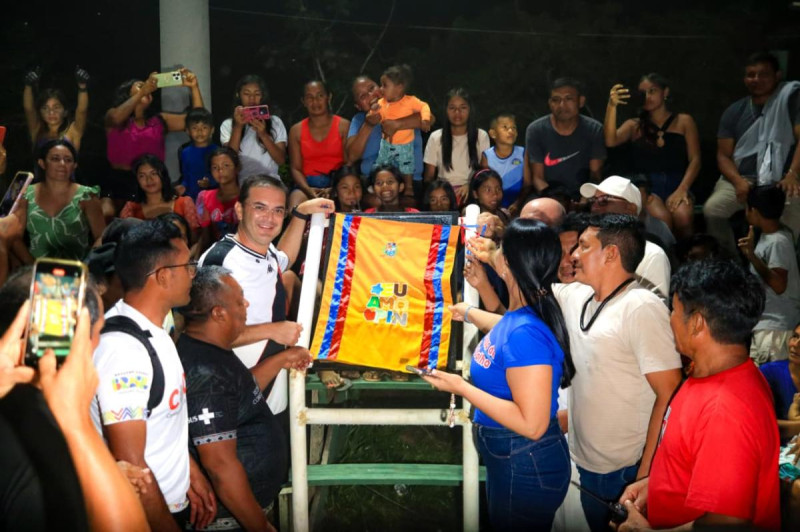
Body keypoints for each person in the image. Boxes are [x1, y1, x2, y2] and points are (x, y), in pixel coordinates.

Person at [423, 219, 575, 531]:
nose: (496, 254)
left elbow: (532, 425)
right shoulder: (526, 312)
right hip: (515, 457)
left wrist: (461, 387)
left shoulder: (526, 332)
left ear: (509, 263)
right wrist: (467, 312)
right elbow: (506, 329)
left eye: (501, 250)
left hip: (525, 459)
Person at [615, 259, 779, 532]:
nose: (669, 319)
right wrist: (653, 485)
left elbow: (728, 523)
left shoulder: (725, 409)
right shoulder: (710, 374)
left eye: (673, 310)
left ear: (697, 324)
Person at [553, 214, 682, 532]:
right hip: (588, 465)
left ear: (610, 254)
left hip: (627, 471)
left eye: (584, 246)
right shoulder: (577, 296)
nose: (574, 255)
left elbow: (670, 392)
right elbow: (526, 299)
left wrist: (646, 474)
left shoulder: (641, 307)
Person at [91, 219, 216, 531]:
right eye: (188, 265)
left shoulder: (153, 329)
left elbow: (161, 420)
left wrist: (188, 472)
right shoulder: (124, 353)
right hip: (145, 516)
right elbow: (131, 468)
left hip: (167, 501)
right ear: (162, 276)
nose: (193, 273)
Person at [0, 277, 150, 532]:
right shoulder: (56, 419)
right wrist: (78, 424)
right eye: (99, 330)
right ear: (80, 340)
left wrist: (97, 473)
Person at [179, 266, 308, 531]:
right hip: (228, 522)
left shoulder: (210, 351)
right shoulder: (205, 372)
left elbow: (238, 396)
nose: (246, 304)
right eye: (239, 300)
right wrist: (260, 526)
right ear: (219, 313)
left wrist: (281, 359)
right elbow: (220, 466)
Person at [199, 175, 325, 426]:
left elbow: (284, 257)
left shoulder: (265, 253)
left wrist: (301, 214)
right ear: (239, 210)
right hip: (235, 401)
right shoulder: (222, 260)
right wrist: (274, 330)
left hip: (271, 396)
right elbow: (205, 336)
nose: (270, 218)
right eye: (260, 208)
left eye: (278, 210)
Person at [703, 52, 800, 258]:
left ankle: (784, 265)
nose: (756, 79)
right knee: (713, 210)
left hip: (783, 179)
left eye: (763, 74)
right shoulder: (735, 111)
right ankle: (729, 263)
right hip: (742, 178)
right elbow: (723, 156)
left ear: (777, 75)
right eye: (751, 75)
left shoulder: (790, 101)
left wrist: (792, 174)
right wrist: (738, 181)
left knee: (793, 210)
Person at [604, 73, 700, 239]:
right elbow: (610, 140)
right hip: (648, 186)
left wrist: (682, 189)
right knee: (661, 219)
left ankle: (690, 252)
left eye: (652, 91)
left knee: (683, 216)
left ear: (665, 92)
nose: (648, 97)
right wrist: (612, 106)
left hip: (678, 182)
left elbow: (695, 159)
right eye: (643, 93)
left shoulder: (684, 121)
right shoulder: (634, 125)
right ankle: (663, 254)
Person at [104, 68, 204, 206]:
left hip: (153, 182)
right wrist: (143, 91)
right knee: (109, 212)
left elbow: (198, 121)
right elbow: (116, 118)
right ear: (127, 95)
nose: (147, 89)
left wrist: (194, 87)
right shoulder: (114, 115)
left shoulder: (158, 121)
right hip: (120, 183)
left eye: (148, 88)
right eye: (141, 86)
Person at [579, 175, 671, 298]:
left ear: (630, 208)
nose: (595, 207)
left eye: (604, 200)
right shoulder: (583, 250)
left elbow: (653, 307)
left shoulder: (652, 255)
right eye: (593, 201)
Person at [737, 184, 800, 364]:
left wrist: (751, 256)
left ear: (754, 211)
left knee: (772, 380)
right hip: (767, 326)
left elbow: (779, 285)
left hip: (776, 329)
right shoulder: (771, 236)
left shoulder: (778, 241)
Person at [13, 139, 105, 261]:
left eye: (68, 160)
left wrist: (87, 264)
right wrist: (32, 265)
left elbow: (101, 236)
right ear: (42, 163)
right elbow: (15, 237)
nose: (62, 164)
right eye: (55, 159)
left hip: (76, 266)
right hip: (35, 266)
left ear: (74, 165)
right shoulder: (26, 193)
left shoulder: (87, 195)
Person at [345, 75, 426, 198]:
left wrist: (397, 124)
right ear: (358, 106)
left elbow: (428, 119)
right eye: (363, 96)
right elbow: (351, 156)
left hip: (409, 182)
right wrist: (368, 125)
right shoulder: (359, 120)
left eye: (372, 88)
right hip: (373, 183)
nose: (371, 95)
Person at [525, 78, 606, 201]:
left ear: (581, 101)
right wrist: (556, 201)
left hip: (584, 195)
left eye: (569, 99)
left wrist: (586, 198)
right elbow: (537, 178)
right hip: (548, 195)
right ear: (550, 103)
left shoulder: (594, 129)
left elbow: (595, 174)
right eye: (556, 100)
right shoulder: (536, 130)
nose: (562, 105)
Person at [368, 65, 431, 203]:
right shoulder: (381, 102)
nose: (381, 89)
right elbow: (372, 116)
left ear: (399, 87)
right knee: (380, 164)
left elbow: (424, 106)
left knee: (407, 165)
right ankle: (376, 184)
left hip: (404, 144)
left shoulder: (410, 101)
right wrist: (373, 111)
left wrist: (425, 119)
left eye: (385, 85)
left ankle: (408, 187)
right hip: (386, 144)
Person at [288, 80, 350, 207]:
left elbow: (348, 163)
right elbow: (295, 168)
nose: (315, 101)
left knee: (347, 198)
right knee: (295, 204)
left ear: (329, 97)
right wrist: (308, 190)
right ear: (303, 101)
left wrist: (334, 188)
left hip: (337, 182)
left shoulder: (343, 126)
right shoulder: (296, 131)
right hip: (307, 184)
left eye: (320, 96)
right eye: (309, 97)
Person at [424, 88, 490, 205]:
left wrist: (470, 185)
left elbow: (485, 172)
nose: (457, 112)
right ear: (446, 110)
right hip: (444, 193)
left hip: (471, 190)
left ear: (470, 110)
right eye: (452, 108)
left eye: (463, 108)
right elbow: (429, 177)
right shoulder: (436, 137)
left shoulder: (481, 135)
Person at [220, 74, 287, 181]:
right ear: (238, 95)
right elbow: (229, 160)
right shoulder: (228, 124)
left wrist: (263, 135)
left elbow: (281, 160)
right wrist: (238, 127)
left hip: (271, 181)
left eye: (257, 94)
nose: (252, 99)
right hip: (243, 182)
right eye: (246, 94)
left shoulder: (275, 122)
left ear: (262, 96)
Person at [120, 154, 200, 237]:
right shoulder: (131, 207)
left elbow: (194, 237)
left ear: (163, 176)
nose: (149, 180)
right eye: (142, 176)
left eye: (154, 173)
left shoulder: (184, 203)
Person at [23, 66, 90, 152]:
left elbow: (82, 110)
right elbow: (29, 109)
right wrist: (28, 86)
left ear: (65, 111)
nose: (51, 112)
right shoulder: (37, 130)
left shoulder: (73, 130)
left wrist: (82, 87)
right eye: (45, 108)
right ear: (40, 112)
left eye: (56, 107)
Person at [481, 113, 529, 211]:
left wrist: (517, 204)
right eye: (505, 127)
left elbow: (528, 184)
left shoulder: (523, 153)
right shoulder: (487, 156)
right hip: (495, 205)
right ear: (493, 134)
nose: (511, 131)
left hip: (520, 203)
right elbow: (485, 186)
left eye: (513, 128)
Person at [197, 147, 241, 251]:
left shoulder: (248, 196)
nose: (220, 171)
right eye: (215, 167)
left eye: (226, 165)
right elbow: (205, 237)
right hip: (217, 253)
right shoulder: (205, 197)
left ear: (237, 168)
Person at [177, 107, 219, 200]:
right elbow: (186, 177)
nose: (199, 131)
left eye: (204, 127)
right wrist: (182, 186)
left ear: (212, 129)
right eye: (195, 128)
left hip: (212, 198)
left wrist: (210, 182)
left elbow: (221, 176)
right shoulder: (185, 152)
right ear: (187, 131)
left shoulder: (217, 152)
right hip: (191, 198)